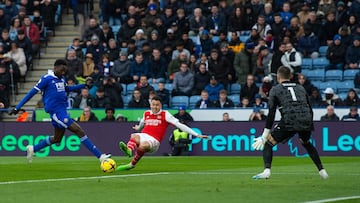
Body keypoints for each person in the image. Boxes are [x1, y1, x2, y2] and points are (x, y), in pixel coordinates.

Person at [9, 59, 111, 163]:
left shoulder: (61, 79)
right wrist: (18, 107)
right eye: (61, 71)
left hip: (62, 111)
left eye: (64, 71)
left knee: (57, 139)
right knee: (79, 130)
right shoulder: (46, 79)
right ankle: (100, 156)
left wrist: (84, 85)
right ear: (55, 68)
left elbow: (67, 89)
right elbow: (31, 93)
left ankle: (33, 148)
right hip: (56, 113)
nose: (63, 73)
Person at [252, 66, 328, 179]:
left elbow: (272, 113)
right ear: (290, 76)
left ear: (278, 77)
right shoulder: (300, 88)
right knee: (306, 143)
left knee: (268, 143)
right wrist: (309, 124)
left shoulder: (275, 89)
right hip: (306, 118)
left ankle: (267, 171)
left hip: (290, 119)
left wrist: (264, 134)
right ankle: (323, 172)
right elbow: (309, 107)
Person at [116, 96, 208, 171]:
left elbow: (179, 125)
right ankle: (129, 150)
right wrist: (138, 128)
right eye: (153, 104)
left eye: (157, 105)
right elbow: (142, 124)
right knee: (134, 135)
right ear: (150, 104)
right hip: (144, 134)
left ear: (161, 106)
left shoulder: (165, 114)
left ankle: (131, 164)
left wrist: (196, 134)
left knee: (143, 146)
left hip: (154, 140)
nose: (155, 107)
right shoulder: (146, 113)